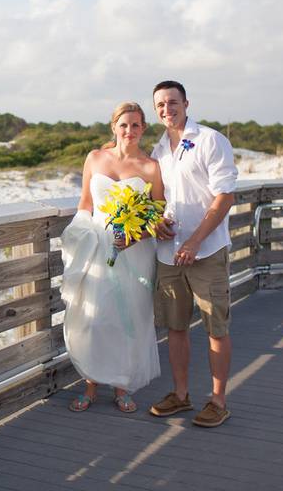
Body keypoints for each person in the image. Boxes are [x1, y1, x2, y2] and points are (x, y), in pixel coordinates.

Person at [61, 102, 164, 413]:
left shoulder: (151, 167)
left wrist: (133, 236)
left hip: (133, 249)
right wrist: (81, 234)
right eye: (124, 125)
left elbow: (157, 214)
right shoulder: (95, 158)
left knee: (128, 319)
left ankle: (122, 386)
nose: (129, 131)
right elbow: (85, 203)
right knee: (94, 317)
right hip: (96, 245)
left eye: (135, 125)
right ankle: (91, 384)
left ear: (144, 128)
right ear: (114, 128)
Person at [148, 80, 238, 428]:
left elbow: (224, 196)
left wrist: (196, 240)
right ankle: (181, 395)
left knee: (216, 327)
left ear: (186, 103)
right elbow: (160, 199)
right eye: (160, 105)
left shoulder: (210, 140)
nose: (166, 109)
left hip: (206, 251)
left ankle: (218, 400)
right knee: (176, 328)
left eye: (172, 102)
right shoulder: (158, 150)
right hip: (168, 253)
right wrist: (157, 222)